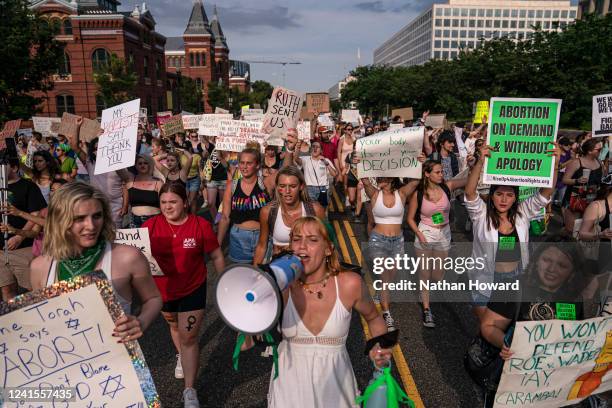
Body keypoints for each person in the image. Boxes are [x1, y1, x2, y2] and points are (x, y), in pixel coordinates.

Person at [268, 216, 393, 408]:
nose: (302, 246)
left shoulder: (350, 284)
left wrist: (380, 353)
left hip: (337, 391)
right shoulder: (281, 286)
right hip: (289, 390)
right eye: (296, 239)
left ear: (328, 249)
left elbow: (374, 317)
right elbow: (251, 336)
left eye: (312, 240)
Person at [29, 182, 162, 343]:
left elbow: (153, 298)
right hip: (65, 361)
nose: (91, 226)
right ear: (60, 219)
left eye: (97, 216)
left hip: (118, 360)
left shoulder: (128, 257)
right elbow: (41, 318)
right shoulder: (40, 267)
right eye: (79, 218)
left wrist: (141, 321)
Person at [144, 182, 225, 408]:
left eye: (173, 202)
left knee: (189, 337)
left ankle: (189, 390)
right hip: (163, 291)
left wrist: (225, 282)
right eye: (163, 202)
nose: (168, 207)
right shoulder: (150, 226)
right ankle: (181, 355)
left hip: (193, 287)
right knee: (175, 327)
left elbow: (217, 255)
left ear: (185, 202)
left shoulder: (200, 225)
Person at [480, 237, 587, 407]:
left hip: (547, 387)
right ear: (536, 260)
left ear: (572, 272)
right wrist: (506, 344)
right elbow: (488, 326)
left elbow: (574, 339)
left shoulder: (574, 300)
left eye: (562, 265)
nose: (552, 269)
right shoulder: (513, 287)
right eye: (547, 260)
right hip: (509, 382)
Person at [465, 142, 560, 322]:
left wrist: (554, 165)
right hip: (485, 280)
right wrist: (480, 162)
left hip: (515, 279)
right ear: (492, 196)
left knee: (510, 328)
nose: (504, 199)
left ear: (516, 198)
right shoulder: (481, 215)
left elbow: (545, 193)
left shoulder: (522, 214)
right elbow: (470, 193)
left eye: (509, 195)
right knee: (487, 327)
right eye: (499, 194)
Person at [407, 160, 467, 328]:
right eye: (438, 172)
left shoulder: (447, 186)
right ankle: (427, 310)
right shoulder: (418, 194)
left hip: (444, 233)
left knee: (437, 275)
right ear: (427, 174)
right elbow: (410, 218)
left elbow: (469, 180)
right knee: (425, 274)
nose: (442, 175)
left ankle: (424, 292)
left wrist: (478, 163)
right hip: (426, 232)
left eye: (441, 172)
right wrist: (419, 234)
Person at [253, 166, 326, 264]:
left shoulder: (315, 210)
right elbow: (262, 246)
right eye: (282, 186)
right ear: (277, 187)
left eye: (292, 186)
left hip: (308, 267)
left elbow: (325, 242)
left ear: (301, 186)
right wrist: (255, 272)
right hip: (280, 269)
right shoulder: (267, 212)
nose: (287, 191)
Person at [0, 157, 47, 300]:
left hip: (23, 249)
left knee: (33, 290)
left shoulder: (28, 186)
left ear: (13, 168)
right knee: (7, 290)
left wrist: (19, 237)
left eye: (2, 165)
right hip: (1, 252)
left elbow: (36, 214)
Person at [217, 147, 273, 264]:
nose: (244, 166)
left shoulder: (266, 183)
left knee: (261, 276)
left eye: (249, 163)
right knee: (241, 276)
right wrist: (218, 244)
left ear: (257, 165)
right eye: (242, 163)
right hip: (238, 238)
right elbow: (225, 217)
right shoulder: (231, 186)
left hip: (262, 236)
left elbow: (287, 170)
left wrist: (290, 150)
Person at [69, 133, 125, 228]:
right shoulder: (90, 162)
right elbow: (75, 146)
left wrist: (125, 205)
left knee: (115, 234)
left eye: (101, 148)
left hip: (115, 206)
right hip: (96, 203)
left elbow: (125, 185)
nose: (97, 151)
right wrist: (77, 126)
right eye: (95, 149)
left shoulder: (117, 164)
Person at [1, 178, 67, 258]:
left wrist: (20, 213)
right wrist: (15, 230)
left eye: (59, 190)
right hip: (42, 255)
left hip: (61, 254)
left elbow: (50, 224)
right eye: (52, 190)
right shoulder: (44, 211)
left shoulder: (71, 212)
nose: (54, 193)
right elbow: (34, 233)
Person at [562, 138, 604, 235]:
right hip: (575, 199)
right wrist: (577, 180)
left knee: (585, 229)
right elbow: (564, 179)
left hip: (591, 199)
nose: (600, 151)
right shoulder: (577, 162)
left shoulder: (599, 162)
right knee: (570, 229)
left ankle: (579, 248)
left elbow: (601, 180)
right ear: (589, 151)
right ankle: (558, 241)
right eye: (598, 150)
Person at [117, 155, 162, 228]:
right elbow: (119, 170)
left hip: (154, 221)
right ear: (136, 166)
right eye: (140, 163)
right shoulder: (131, 181)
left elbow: (164, 203)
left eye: (145, 163)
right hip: (135, 222)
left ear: (149, 165)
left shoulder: (158, 182)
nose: (142, 165)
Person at [292, 140, 337, 208]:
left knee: (322, 211)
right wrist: (298, 147)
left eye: (317, 147)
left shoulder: (326, 160)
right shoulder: (306, 159)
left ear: (321, 150)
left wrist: (326, 163)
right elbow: (296, 159)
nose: (315, 148)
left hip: (323, 189)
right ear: (311, 149)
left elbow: (334, 174)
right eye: (313, 146)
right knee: (311, 211)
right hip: (310, 189)